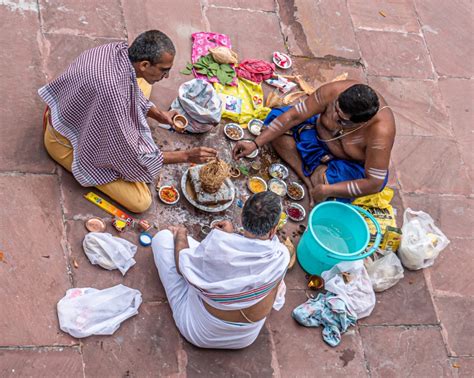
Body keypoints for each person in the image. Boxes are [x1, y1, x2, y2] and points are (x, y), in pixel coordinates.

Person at [39, 30, 217, 213]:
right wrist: (186, 156)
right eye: (164, 70)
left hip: (70, 109)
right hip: (63, 143)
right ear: (145, 64)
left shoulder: (116, 50)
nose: (167, 76)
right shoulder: (114, 96)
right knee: (141, 202)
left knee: (145, 84)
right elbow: (131, 154)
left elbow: (130, 89)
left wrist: (158, 114)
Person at [152, 192, 290, 349]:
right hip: (245, 339)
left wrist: (181, 235)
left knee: (162, 238)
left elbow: (181, 266)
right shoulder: (282, 255)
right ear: (273, 230)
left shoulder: (216, 245)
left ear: (242, 219)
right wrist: (229, 238)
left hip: (199, 333)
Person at [233, 80, 395, 206]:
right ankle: (307, 179)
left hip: (344, 165)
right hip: (314, 136)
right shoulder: (333, 91)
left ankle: (318, 182)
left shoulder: (381, 132)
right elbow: (293, 117)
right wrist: (254, 144)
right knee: (274, 124)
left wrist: (328, 189)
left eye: (342, 120)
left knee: (328, 187)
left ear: (361, 123)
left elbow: (374, 183)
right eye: (336, 110)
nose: (334, 117)